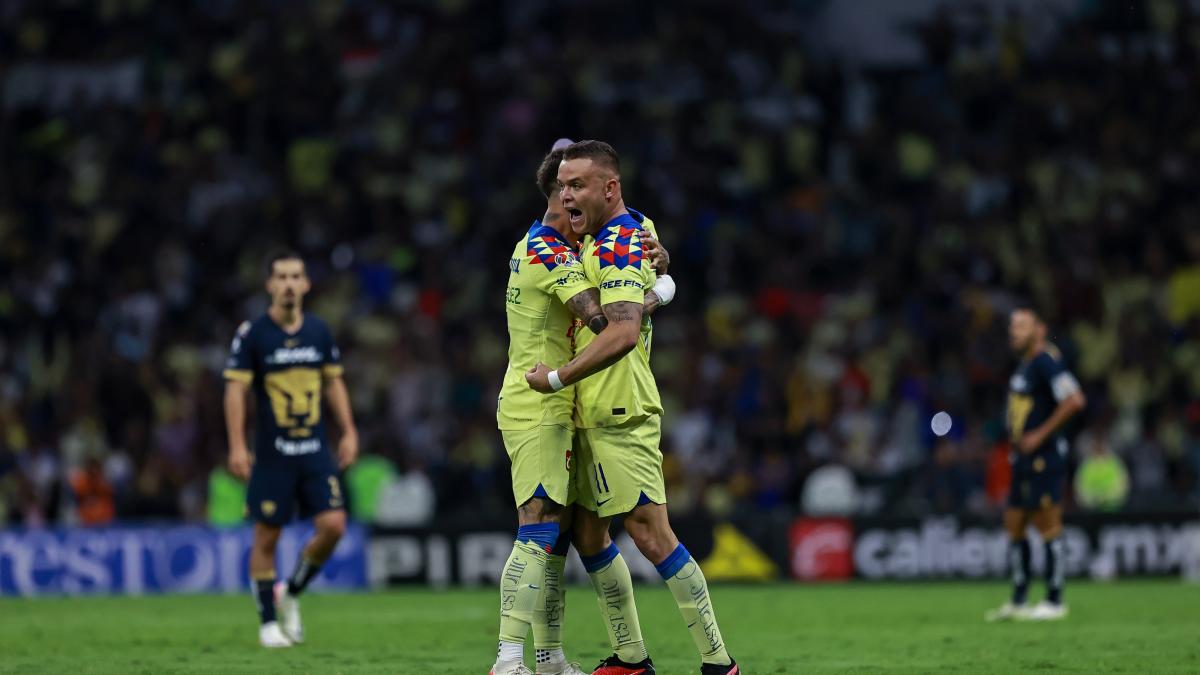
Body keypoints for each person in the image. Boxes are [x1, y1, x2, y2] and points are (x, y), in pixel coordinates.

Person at [527, 140, 736, 675]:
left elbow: (620, 332)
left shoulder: (621, 241)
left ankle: (719, 663)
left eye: (577, 186)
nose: (566, 195)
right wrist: (661, 285)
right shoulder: (622, 232)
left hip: (619, 407)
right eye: (563, 186)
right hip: (587, 411)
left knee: (649, 531)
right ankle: (631, 659)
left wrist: (556, 377)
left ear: (609, 188)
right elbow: (642, 287)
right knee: (588, 535)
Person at [492, 140, 673, 675]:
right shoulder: (547, 248)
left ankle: (551, 659)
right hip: (537, 400)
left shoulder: (576, 243)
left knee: (568, 534)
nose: (570, 213)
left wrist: (647, 255)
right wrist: (657, 286)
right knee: (540, 524)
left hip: (571, 404)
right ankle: (507, 659)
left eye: (576, 197)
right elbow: (605, 322)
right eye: (562, 200)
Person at [224, 250, 359, 647]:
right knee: (267, 536)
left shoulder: (318, 331)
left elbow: (334, 382)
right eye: (280, 276)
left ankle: (292, 591)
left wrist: (348, 431)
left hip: (315, 449)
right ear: (270, 285)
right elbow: (235, 388)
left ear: (305, 284)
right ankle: (268, 623)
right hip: (272, 454)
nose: (287, 283)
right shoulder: (253, 334)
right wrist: (236, 445)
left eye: (294, 276)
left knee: (334, 525)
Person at [986, 306, 1085, 622]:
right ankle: (1019, 599)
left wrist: (1039, 435)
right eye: (1012, 327)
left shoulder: (1045, 363)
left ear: (1039, 331)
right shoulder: (1025, 366)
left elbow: (1074, 400)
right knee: (1014, 523)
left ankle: (1055, 601)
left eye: (1022, 327)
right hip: (1024, 458)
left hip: (1045, 456)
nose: (1014, 332)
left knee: (1048, 524)